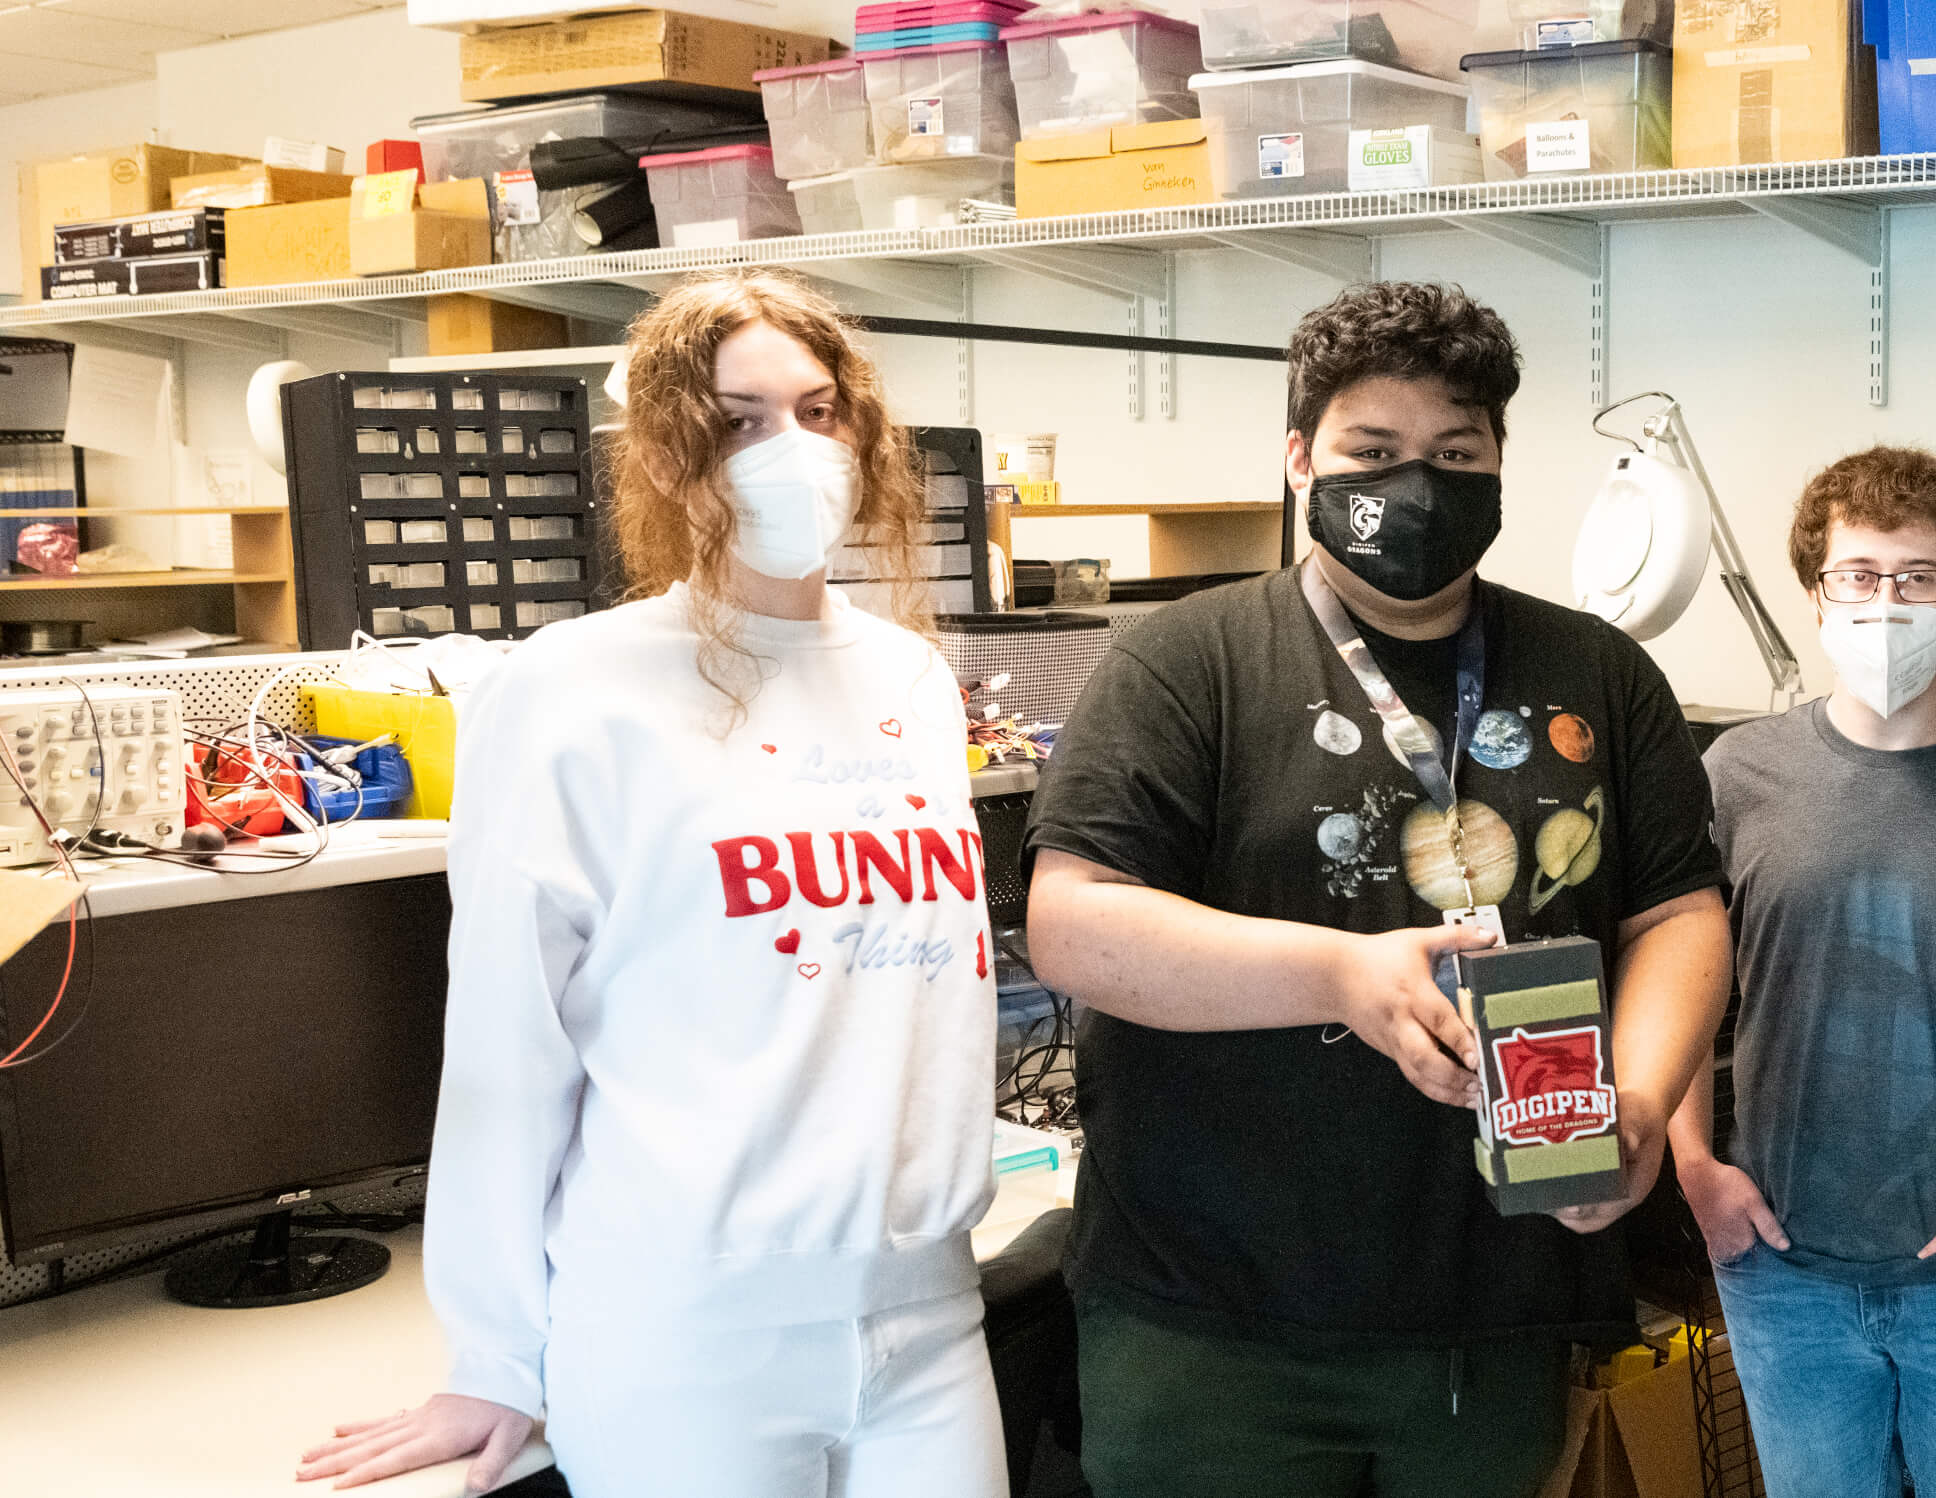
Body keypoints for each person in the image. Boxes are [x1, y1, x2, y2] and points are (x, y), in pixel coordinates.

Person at [297, 270, 1007, 1497]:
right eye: (739, 419)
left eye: (819, 409)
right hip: (686, 1328)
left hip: (926, 1308)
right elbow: (509, 1043)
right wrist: (494, 1353)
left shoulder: (909, 681)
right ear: (671, 458)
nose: (791, 448)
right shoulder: (577, 687)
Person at [1023, 280, 1733, 1497]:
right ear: (1299, 457)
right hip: (1210, 1317)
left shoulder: (1598, 671)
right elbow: (1074, 921)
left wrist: (1642, 1097)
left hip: (1490, 1298)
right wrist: (1338, 973)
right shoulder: (1183, 660)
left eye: (1456, 453)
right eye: (1373, 449)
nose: (1416, 484)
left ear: (1501, 465)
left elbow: (1676, 910)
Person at [1678, 445, 1936, 1498]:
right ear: (1814, 593)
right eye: (1855, 575)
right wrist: (1689, 1165)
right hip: (1782, 1268)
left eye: (1916, 578)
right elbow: (1679, 981)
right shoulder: (1734, 777)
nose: (1883, 602)